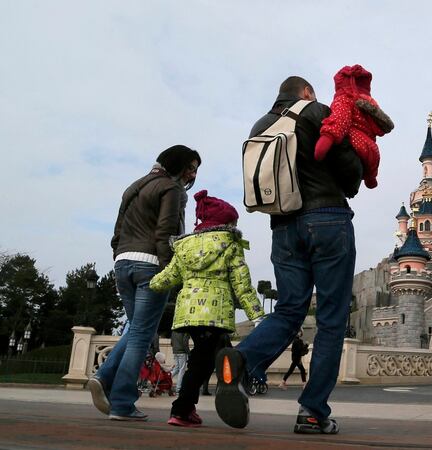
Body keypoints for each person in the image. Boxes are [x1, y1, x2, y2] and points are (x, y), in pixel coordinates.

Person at [214, 76, 363, 434]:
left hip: (282, 227)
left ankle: (242, 357)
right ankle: (312, 411)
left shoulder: (260, 125)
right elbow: (352, 174)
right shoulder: (315, 112)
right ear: (307, 92)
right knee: (330, 319)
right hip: (327, 219)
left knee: (289, 309)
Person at [88, 145, 200, 421]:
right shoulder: (171, 190)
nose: (193, 174)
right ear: (179, 165)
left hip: (123, 263)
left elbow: (118, 230)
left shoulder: (134, 186)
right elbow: (166, 231)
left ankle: (103, 376)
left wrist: (118, 254)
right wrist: (169, 270)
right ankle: (122, 403)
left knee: (137, 329)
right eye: (191, 167)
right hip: (150, 264)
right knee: (140, 335)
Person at [150, 190, 265, 427]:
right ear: (226, 222)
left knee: (218, 351)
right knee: (201, 362)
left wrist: (151, 284)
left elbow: (168, 277)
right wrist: (258, 316)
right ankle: (182, 410)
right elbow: (242, 285)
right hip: (215, 314)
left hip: (188, 314)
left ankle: (227, 388)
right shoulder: (231, 244)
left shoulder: (184, 246)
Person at [314, 64, 394, 189]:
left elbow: (340, 120)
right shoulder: (368, 104)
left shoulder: (344, 99)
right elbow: (376, 128)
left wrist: (326, 138)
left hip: (355, 145)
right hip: (372, 152)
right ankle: (371, 177)